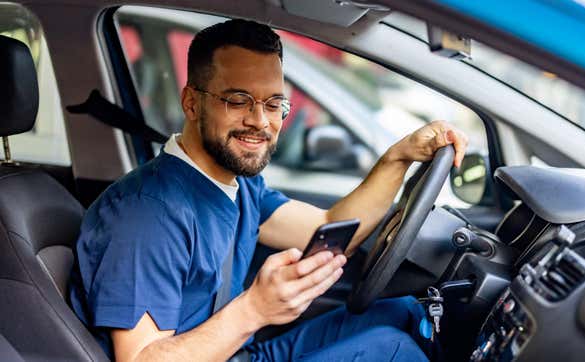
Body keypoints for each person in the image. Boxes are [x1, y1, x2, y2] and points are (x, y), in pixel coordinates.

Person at [68, 19, 468, 362]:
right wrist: (254, 310)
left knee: (397, 312)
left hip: (239, 352)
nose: (260, 122)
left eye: (274, 103)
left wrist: (398, 157)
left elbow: (331, 225)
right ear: (192, 103)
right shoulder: (147, 213)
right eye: (238, 100)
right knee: (391, 350)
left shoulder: (237, 185)